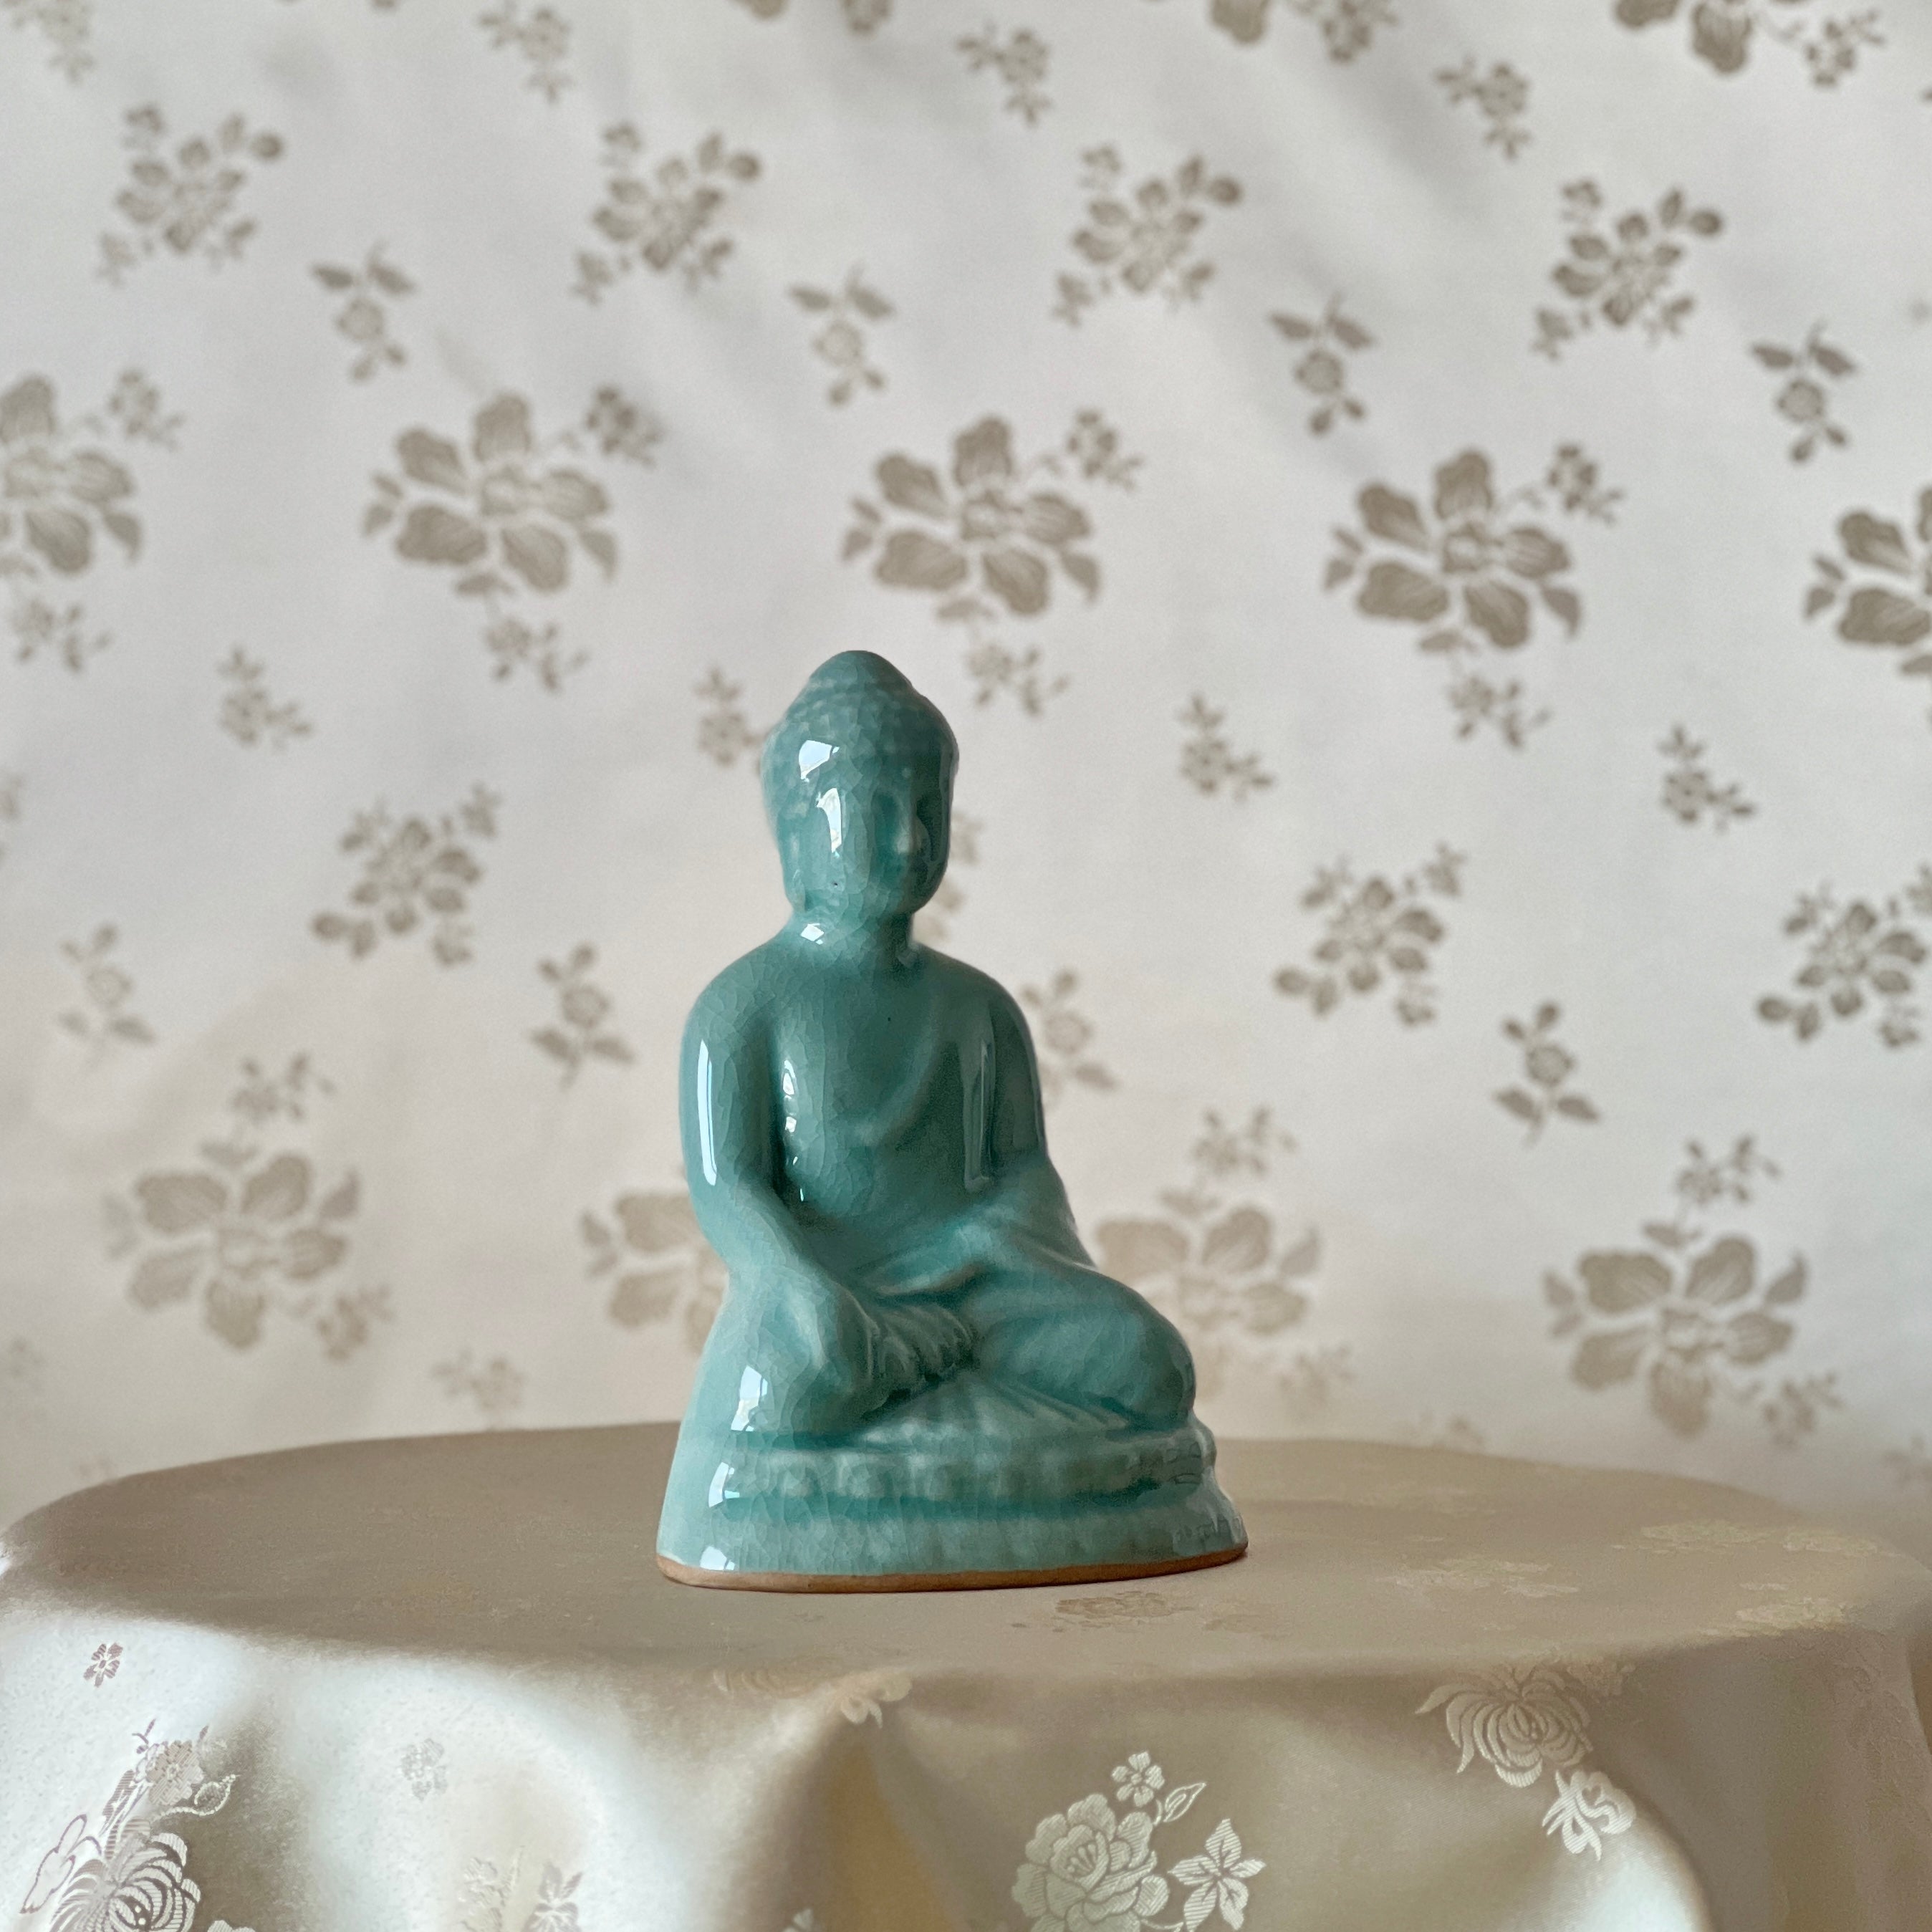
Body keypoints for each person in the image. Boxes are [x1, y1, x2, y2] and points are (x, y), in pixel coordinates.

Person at [676, 650, 1196, 1444]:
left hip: (981, 1288)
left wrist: (993, 1246)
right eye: (876, 809)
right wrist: (794, 1281)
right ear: (799, 829)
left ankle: (923, 1365)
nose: (910, 836)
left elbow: (1024, 1173)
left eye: (930, 807)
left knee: (1151, 1363)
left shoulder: (980, 1008)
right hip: (831, 1293)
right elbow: (730, 1190)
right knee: (787, 1383)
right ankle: (891, 1368)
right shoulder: (743, 1007)